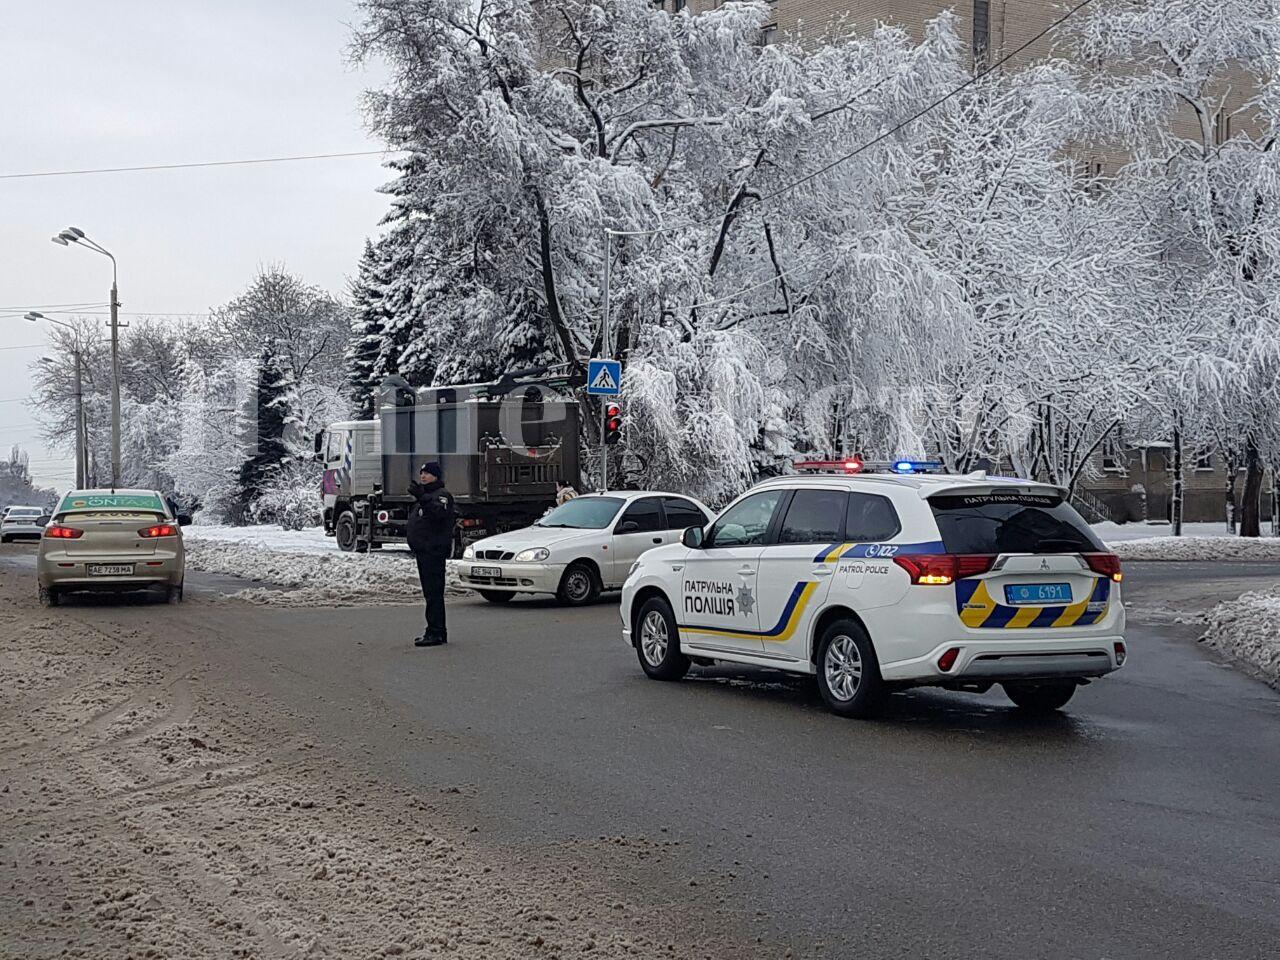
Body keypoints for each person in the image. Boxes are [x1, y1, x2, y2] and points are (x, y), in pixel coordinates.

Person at [406, 461, 455, 647]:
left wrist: (422, 498)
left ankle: (435, 632)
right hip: (424, 552)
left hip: (433, 552)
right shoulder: (426, 496)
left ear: (436, 476)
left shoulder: (441, 496)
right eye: (422, 473)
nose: (423, 476)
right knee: (430, 593)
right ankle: (436, 629)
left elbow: (438, 514)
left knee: (434, 593)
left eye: (427, 473)